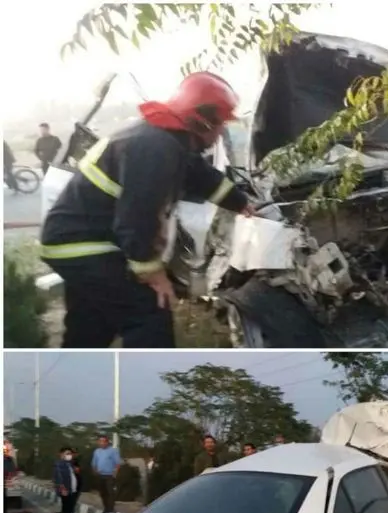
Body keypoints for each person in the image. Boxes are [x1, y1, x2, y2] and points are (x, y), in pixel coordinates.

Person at [40, 71, 255, 349]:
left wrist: (242, 203)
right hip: (86, 246)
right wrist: (152, 274)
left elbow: (198, 173)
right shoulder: (156, 148)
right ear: (202, 120)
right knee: (150, 313)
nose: (220, 132)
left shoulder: (163, 138)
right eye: (220, 124)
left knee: (91, 327)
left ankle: (65, 384)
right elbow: (136, 221)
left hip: (73, 242)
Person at [91, 435, 121, 513]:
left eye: (104, 441)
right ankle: (106, 508)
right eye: (100, 441)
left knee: (110, 493)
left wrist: (115, 474)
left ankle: (110, 510)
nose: (102, 443)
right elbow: (94, 463)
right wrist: (95, 471)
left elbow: (117, 463)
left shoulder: (113, 451)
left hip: (109, 475)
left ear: (107, 442)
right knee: (102, 493)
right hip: (100, 475)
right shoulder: (97, 451)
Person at [53, 447, 79, 513]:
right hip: (66, 489)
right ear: (62, 455)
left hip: (72, 489)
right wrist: (62, 488)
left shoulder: (69, 464)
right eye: (67, 453)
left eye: (70, 454)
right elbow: (58, 478)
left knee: (71, 506)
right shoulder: (59, 464)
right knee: (66, 507)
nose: (69, 455)